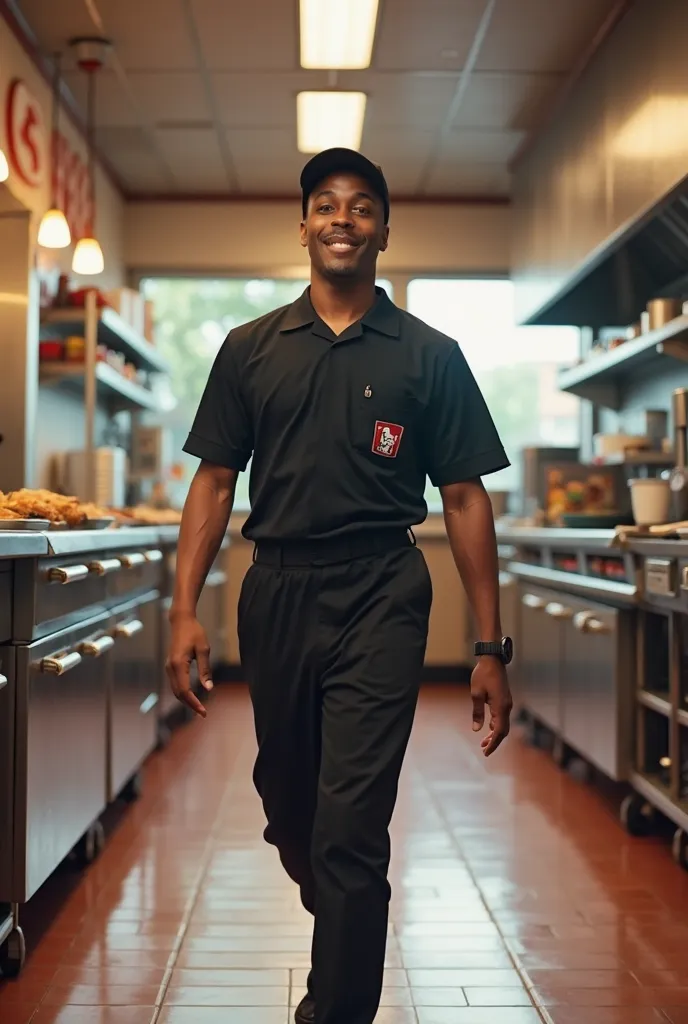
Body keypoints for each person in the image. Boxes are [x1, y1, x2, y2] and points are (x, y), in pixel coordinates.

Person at [166, 147, 514, 1024]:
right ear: (304, 226)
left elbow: (466, 496)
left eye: (363, 207)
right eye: (327, 205)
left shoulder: (430, 355)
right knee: (290, 806)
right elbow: (213, 483)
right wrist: (181, 610)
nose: (344, 219)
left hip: (382, 594)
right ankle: (349, 920)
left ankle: (338, 1005)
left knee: (351, 826)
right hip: (275, 592)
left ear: (385, 230)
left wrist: (488, 647)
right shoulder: (250, 350)